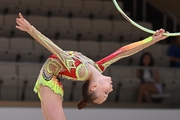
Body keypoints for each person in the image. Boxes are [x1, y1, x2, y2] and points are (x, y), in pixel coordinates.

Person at [15, 13, 168, 120]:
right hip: (50, 80)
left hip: (49, 81)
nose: (111, 90)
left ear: (93, 87)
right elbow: (122, 52)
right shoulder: (97, 67)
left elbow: (56, 50)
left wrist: (31, 29)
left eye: (105, 94)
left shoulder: (80, 71)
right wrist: (151, 40)